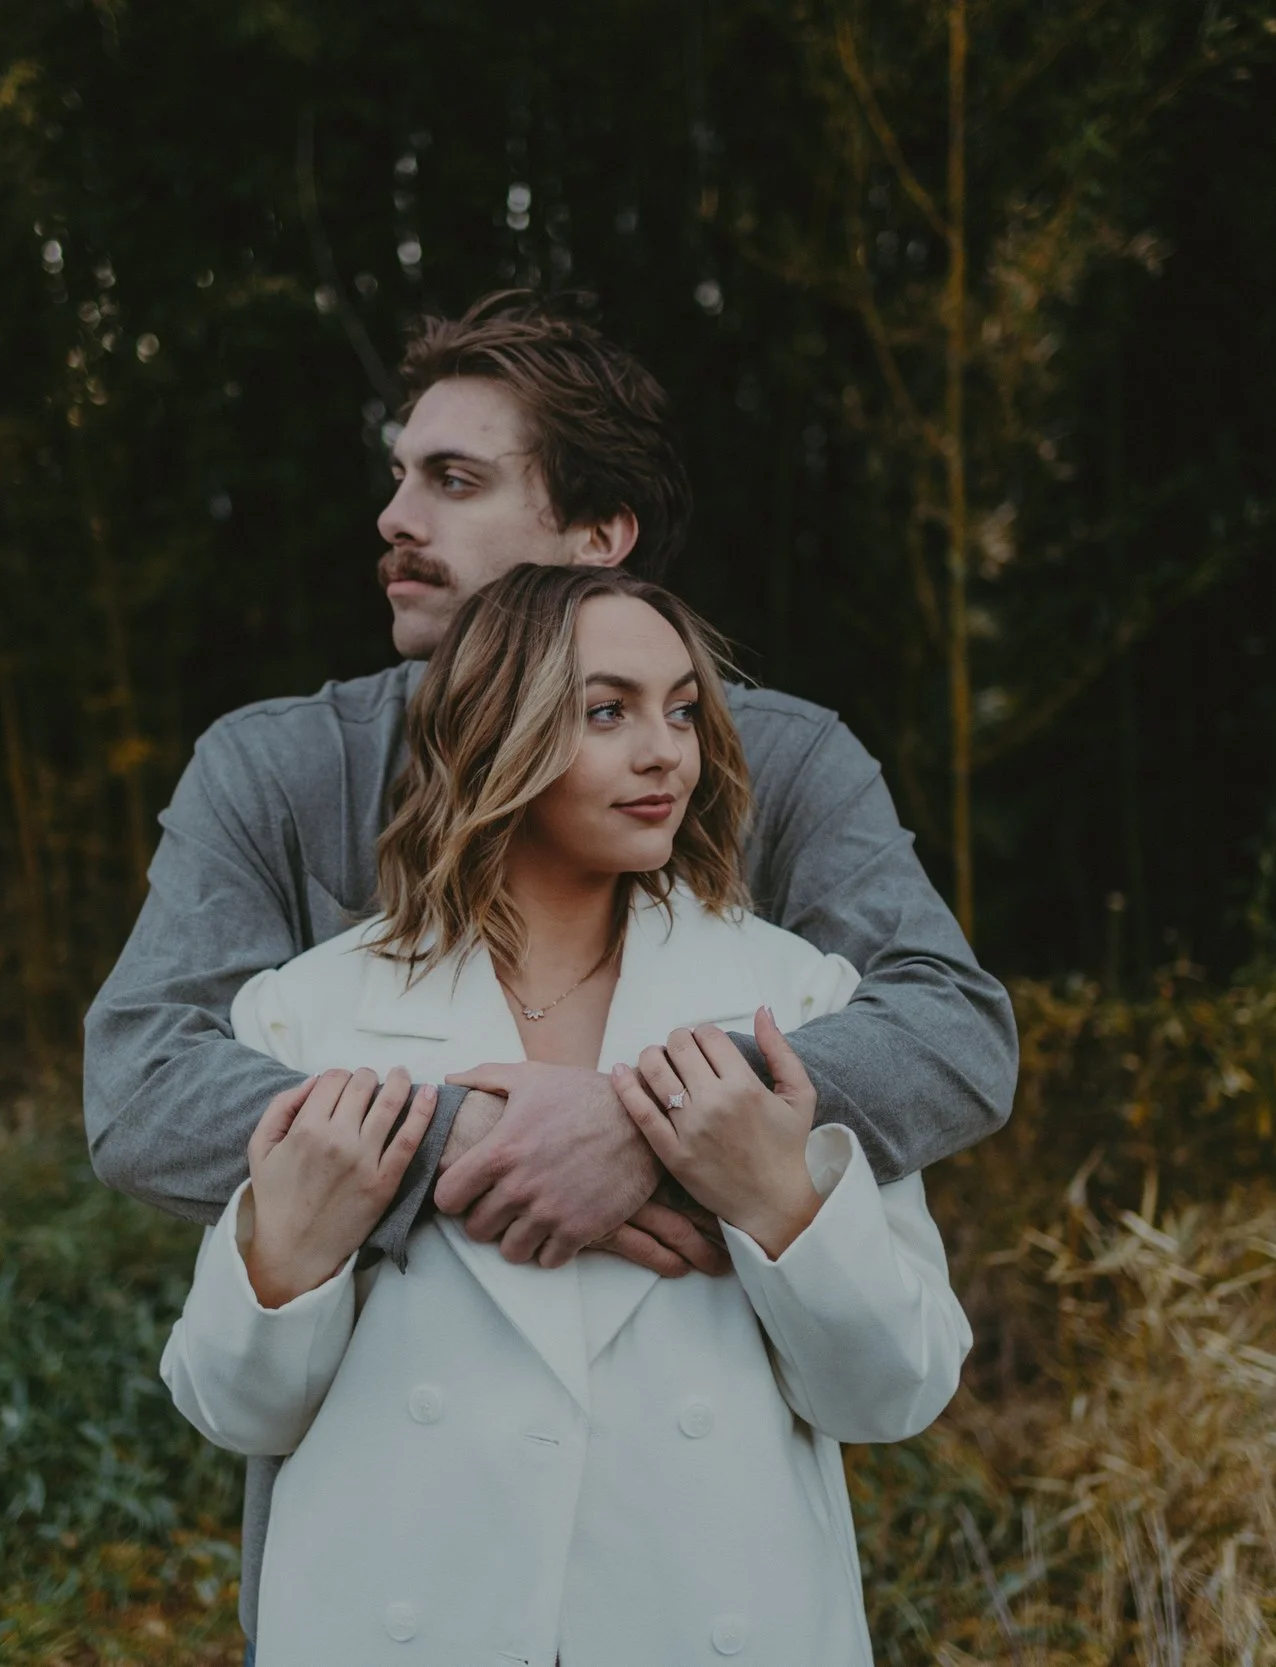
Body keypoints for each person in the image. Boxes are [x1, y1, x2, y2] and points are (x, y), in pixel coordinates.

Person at [82, 291, 1018, 1642]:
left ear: (599, 540)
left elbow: (950, 1035)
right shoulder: (279, 771)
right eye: (398, 475)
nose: (396, 517)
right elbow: (147, 1086)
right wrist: (476, 1134)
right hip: (398, 1564)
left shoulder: (790, 766)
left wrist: (653, 1125)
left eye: (454, 481)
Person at [159, 566, 974, 1664]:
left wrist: (778, 1201)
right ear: (494, 730)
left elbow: (894, 1392)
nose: (664, 751)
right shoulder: (310, 1013)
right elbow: (234, 1412)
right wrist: (289, 1258)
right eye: (609, 710)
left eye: (681, 708)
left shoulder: (797, 1002)